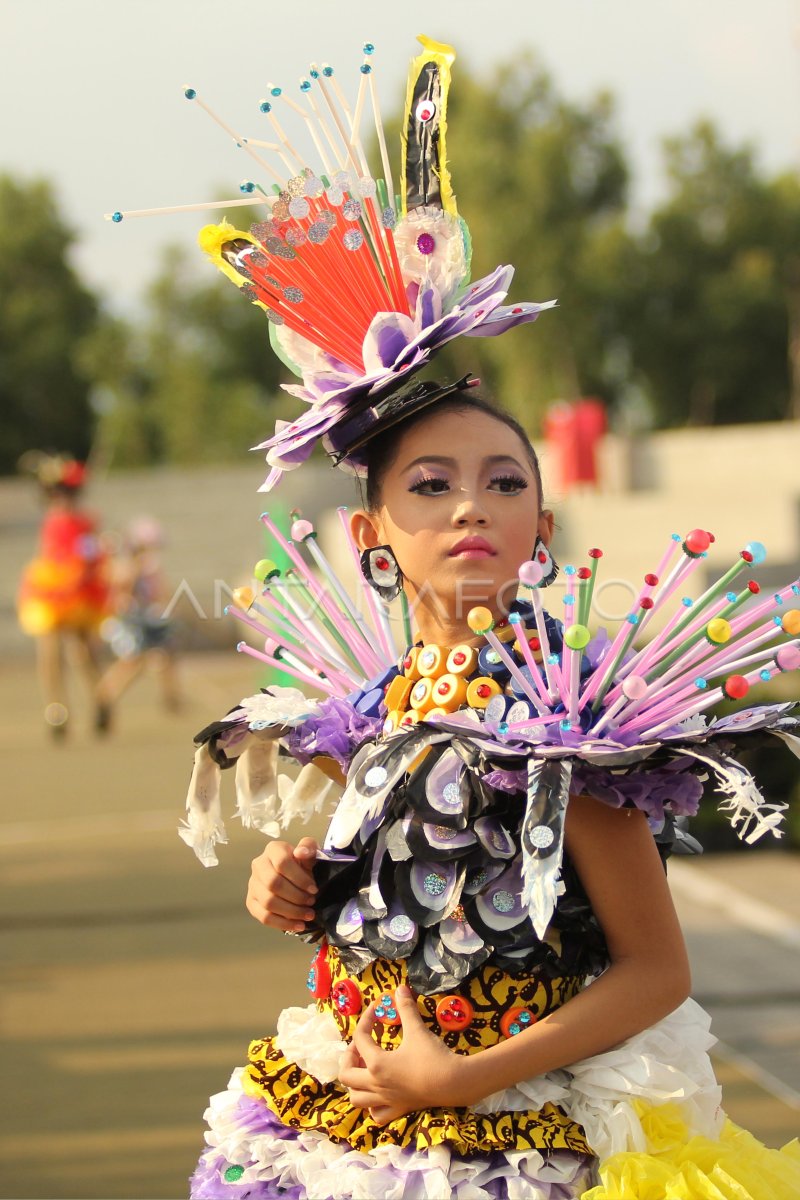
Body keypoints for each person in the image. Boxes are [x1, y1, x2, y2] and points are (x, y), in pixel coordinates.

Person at [183, 394, 800, 1199]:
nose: (472, 505)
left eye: (505, 485)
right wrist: (291, 882)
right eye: (432, 486)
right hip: (346, 1110)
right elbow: (402, 887)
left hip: (516, 1132)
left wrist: (462, 1078)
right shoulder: (368, 710)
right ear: (370, 535)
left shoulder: (568, 722)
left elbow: (656, 969)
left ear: (542, 531)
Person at [17, 453, 111, 738]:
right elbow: (47, 553)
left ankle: (99, 699)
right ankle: (57, 708)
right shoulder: (53, 519)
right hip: (51, 589)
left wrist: (82, 574)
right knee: (50, 649)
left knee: (82, 652)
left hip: (77, 589)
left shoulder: (83, 521)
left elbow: (90, 554)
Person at [96, 516, 180, 723]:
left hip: (143, 618)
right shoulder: (126, 565)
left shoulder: (143, 565)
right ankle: (104, 696)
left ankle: (171, 699)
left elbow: (159, 592)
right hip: (130, 620)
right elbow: (122, 589)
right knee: (132, 663)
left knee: (162, 656)